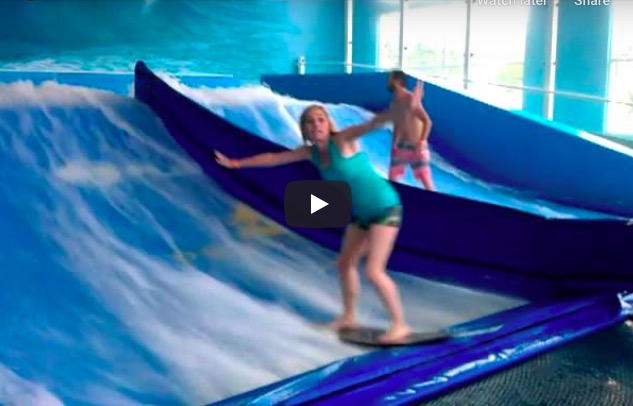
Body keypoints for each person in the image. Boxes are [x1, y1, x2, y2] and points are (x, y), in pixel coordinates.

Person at [214, 104, 411, 343]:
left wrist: (393, 114)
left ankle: (400, 325)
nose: (316, 125)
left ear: (328, 124)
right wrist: (235, 164)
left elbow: (370, 125)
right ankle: (349, 318)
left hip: (385, 208)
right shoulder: (312, 153)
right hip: (361, 214)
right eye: (310, 121)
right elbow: (274, 158)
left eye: (320, 120)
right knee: (345, 263)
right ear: (305, 130)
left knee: (373, 271)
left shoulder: (343, 140)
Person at [374, 70, 436, 191]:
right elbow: (397, 126)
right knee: (392, 178)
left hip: (417, 146)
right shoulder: (394, 103)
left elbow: (427, 122)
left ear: (398, 81)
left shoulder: (410, 99)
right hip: (402, 146)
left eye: (390, 79)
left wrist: (422, 142)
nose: (387, 82)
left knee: (425, 181)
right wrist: (394, 147)